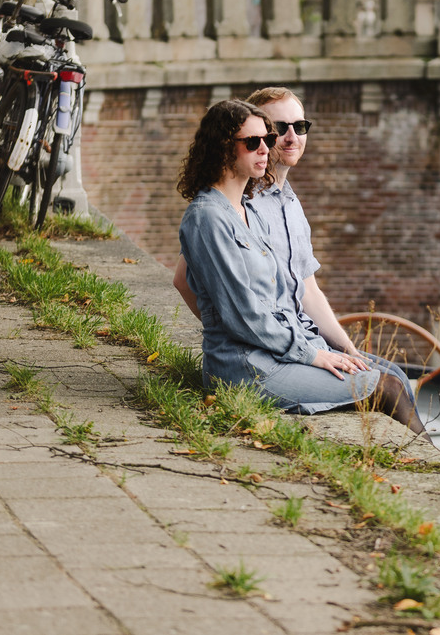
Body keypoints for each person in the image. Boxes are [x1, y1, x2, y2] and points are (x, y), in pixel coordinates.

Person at [175, 98, 425, 434]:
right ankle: (434, 463)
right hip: (247, 368)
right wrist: (312, 355)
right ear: (222, 148)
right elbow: (243, 314)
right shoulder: (207, 217)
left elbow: (286, 298)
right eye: (252, 142)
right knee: (386, 388)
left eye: (267, 139)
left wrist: (320, 347)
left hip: (276, 353)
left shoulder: (248, 212)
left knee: (393, 378)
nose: (265, 149)